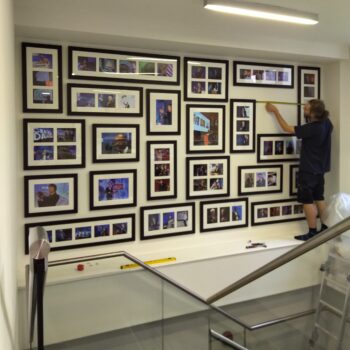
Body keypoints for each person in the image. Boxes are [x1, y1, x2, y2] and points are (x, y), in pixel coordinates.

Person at [266, 99, 333, 241]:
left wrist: (275, 111)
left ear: (314, 113)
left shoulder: (313, 128)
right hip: (320, 169)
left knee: (307, 201)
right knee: (319, 197)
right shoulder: (327, 123)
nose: (304, 109)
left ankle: (312, 232)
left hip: (308, 170)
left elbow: (287, 128)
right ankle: (326, 228)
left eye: (306, 109)